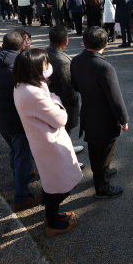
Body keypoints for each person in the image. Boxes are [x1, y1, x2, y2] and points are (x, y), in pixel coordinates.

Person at [13, 48, 81, 236]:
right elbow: (61, 119)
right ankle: (52, 223)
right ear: (34, 68)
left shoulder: (21, 85)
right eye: (45, 64)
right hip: (50, 145)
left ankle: (52, 216)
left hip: (42, 142)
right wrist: (55, 99)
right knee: (60, 187)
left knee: (53, 184)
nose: (48, 67)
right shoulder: (33, 92)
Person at [70, 27, 128, 198]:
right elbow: (115, 98)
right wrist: (123, 118)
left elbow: (75, 86)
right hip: (105, 117)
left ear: (83, 42)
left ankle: (100, 174)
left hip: (88, 112)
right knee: (105, 153)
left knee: (95, 149)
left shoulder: (76, 61)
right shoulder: (105, 67)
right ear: (106, 44)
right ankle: (102, 188)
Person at [0, 32, 40, 210]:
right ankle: (21, 197)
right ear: (22, 48)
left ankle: (18, 177)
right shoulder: (18, 69)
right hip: (18, 122)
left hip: (1, 119)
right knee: (23, 157)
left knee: (14, 150)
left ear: (3, 45)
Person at [46, 25, 85, 165]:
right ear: (66, 41)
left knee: (61, 132)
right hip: (62, 103)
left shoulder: (46, 52)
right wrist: (74, 101)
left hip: (50, 99)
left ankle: (69, 149)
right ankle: (67, 161)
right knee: (63, 132)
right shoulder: (63, 62)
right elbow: (68, 87)